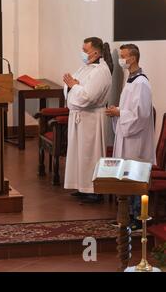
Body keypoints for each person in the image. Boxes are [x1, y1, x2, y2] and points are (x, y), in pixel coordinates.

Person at [105, 44, 155, 230]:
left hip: (136, 138)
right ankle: (126, 216)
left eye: (124, 56)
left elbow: (140, 114)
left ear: (133, 58)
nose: (122, 59)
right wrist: (118, 112)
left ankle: (137, 218)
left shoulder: (141, 83)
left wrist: (119, 112)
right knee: (126, 177)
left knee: (135, 177)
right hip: (127, 135)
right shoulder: (131, 80)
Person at [63, 37, 113, 203]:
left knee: (90, 155)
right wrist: (72, 85)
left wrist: (74, 86)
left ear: (96, 52)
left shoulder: (101, 71)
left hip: (92, 118)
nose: (83, 53)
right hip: (80, 117)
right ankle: (82, 186)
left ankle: (94, 190)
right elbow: (72, 86)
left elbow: (88, 97)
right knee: (79, 154)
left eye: (85, 50)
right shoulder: (86, 67)